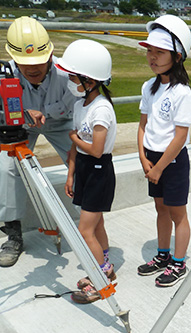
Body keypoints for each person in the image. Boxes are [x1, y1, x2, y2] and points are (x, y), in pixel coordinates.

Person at [0, 16, 79, 267]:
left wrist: (47, 114)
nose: (32, 69)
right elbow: (0, 111)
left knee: (83, 163)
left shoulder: (68, 73)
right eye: (24, 63)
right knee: (8, 168)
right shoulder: (4, 74)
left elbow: (77, 107)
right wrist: (21, 114)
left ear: (50, 54)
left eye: (39, 63)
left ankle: (90, 223)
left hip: (60, 122)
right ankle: (13, 234)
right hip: (22, 126)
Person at [135, 15, 191, 288]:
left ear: (178, 56)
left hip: (172, 162)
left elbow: (180, 136)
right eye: (150, 51)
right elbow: (142, 126)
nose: (152, 57)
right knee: (160, 209)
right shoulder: (149, 86)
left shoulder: (182, 92)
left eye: (159, 52)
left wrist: (159, 167)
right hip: (152, 159)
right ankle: (162, 255)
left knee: (177, 212)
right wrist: (143, 158)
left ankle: (179, 262)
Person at [55, 40, 118, 304]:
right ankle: (106, 267)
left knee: (85, 231)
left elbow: (95, 149)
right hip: (84, 169)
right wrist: (71, 174)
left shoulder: (101, 109)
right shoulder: (81, 104)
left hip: (98, 171)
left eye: (73, 76)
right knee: (96, 224)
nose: (70, 80)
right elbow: (76, 148)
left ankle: (100, 280)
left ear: (89, 80)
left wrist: (73, 136)